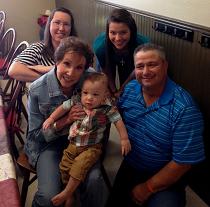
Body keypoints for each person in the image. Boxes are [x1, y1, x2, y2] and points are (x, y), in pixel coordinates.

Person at [106, 43, 205, 207]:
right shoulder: (130, 89)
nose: (145, 72)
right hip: (132, 165)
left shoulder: (184, 109)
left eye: (152, 64)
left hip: (166, 175)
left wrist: (147, 187)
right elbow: (116, 117)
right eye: (140, 66)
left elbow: (183, 163)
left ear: (165, 66)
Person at [24, 36, 108, 207]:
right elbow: (35, 135)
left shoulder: (91, 79)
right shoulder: (38, 89)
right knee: (48, 197)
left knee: (95, 181)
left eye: (79, 67)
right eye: (66, 64)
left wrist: (103, 114)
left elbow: (108, 104)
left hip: (83, 142)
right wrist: (65, 120)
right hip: (49, 144)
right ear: (56, 61)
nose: (71, 73)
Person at [42, 72, 131, 206]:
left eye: (95, 95)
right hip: (73, 144)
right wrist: (51, 118)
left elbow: (118, 121)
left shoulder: (107, 108)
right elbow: (63, 107)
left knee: (79, 166)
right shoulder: (77, 100)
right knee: (64, 167)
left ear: (104, 96)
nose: (89, 98)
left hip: (92, 147)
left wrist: (124, 139)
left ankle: (66, 193)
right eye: (85, 93)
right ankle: (71, 194)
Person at [8, 7, 77, 82]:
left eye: (66, 24)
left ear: (71, 28)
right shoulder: (38, 48)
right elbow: (14, 70)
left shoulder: (77, 52)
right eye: (57, 22)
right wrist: (50, 80)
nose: (61, 28)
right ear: (49, 25)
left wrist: (49, 69)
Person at [93, 8, 149, 97]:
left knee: (129, 89)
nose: (118, 38)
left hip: (131, 60)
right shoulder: (100, 47)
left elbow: (136, 71)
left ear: (131, 31)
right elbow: (106, 71)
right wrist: (114, 91)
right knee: (104, 87)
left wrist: (122, 89)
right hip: (107, 56)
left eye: (123, 32)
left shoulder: (143, 45)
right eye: (113, 33)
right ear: (108, 32)